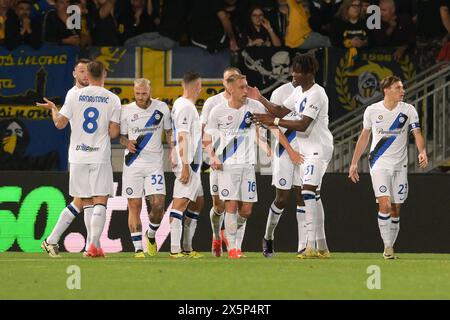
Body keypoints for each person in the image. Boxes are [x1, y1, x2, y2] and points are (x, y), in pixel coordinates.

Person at [250, 54, 334, 259]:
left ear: (307, 73)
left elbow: (303, 124)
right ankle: (321, 247)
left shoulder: (317, 94)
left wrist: (274, 121)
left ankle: (309, 246)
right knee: (311, 195)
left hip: (318, 149)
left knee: (306, 193)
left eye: (297, 72)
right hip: (304, 149)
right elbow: (279, 110)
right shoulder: (298, 91)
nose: (293, 75)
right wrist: (260, 98)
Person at [38, 61, 121, 258]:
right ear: (103, 75)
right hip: (98, 155)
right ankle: (92, 246)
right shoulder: (113, 99)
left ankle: (80, 244)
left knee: (84, 201)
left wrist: (53, 109)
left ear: (89, 75)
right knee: (97, 200)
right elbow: (113, 132)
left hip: (77, 156)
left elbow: (59, 124)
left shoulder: (74, 95)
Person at [348, 75, 428, 259]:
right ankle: (387, 247)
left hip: (400, 165)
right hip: (379, 163)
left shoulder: (408, 110)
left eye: (402, 87)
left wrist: (422, 151)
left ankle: (390, 245)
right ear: (387, 90)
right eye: (399, 88)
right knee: (384, 204)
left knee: (395, 209)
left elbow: (417, 132)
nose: (403, 91)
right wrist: (353, 163)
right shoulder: (372, 110)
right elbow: (364, 137)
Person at [204, 74, 268, 259]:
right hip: (227, 166)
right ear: (231, 89)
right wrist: (213, 157)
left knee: (246, 211)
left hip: (248, 165)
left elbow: (271, 118)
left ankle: (227, 233)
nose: (245, 90)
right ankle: (233, 248)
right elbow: (207, 138)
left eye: (246, 86)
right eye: (242, 87)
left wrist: (267, 145)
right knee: (229, 206)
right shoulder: (218, 111)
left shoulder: (254, 106)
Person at [37, 59, 94, 258]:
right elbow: (60, 124)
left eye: (87, 71)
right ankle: (87, 246)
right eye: (81, 71)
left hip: (94, 154)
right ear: (74, 74)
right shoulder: (73, 94)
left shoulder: (96, 94)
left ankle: (57, 241)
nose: (85, 74)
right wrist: (54, 109)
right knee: (85, 199)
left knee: (85, 200)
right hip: (80, 153)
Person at [120, 78, 172, 258]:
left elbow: (169, 132)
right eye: (137, 94)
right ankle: (138, 249)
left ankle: (150, 235)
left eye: (144, 93)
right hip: (132, 165)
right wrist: (127, 142)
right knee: (134, 206)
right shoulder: (126, 111)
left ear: (150, 91)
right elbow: (121, 136)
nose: (141, 97)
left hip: (154, 165)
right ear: (134, 92)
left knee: (158, 206)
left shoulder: (162, 108)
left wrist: (173, 151)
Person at [262, 78, 306, 258]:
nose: (297, 76)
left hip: (305, 152)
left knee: (303, 196)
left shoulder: (315, 93)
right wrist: (289, 150)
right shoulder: (280, 93)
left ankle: (303, 246)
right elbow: (271, 123)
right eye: (295, 72)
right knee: (282, 198)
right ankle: (268, 237)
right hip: (283, 152)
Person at [200, 67, 241, 257]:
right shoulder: (213, 103)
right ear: (223, 82)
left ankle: (235, 245)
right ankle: (217, 236)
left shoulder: (246, 101)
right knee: (219, 206)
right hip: (218, 162)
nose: (230, 81)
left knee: (238, 204)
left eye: (234, 78)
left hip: (240, 162)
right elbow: (203, 131)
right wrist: (212, 155)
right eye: (227, 79)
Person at [169, 71, 204, 259]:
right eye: (200, 85)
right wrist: (185, 165)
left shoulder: (184, 105)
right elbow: (182, 135)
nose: (201, 89)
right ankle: (175, 250)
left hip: (192, 163)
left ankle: (187, 247)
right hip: (188, 164)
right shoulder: (185, 107)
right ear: (196, 86)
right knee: (180, 204)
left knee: (198, 202)